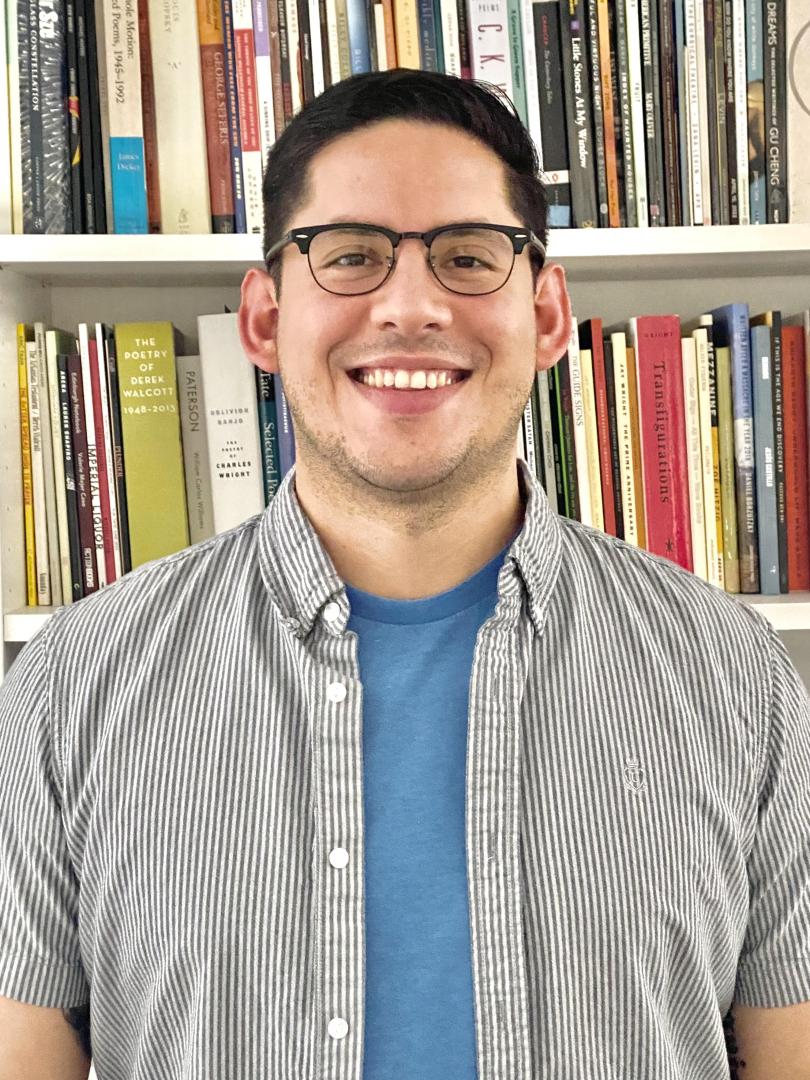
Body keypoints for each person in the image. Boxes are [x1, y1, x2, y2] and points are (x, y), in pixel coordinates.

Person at [1, 68, 809, 1080]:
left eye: (470, 257)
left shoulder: (736, 678)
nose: (412, 307)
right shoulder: (71, 685)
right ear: (263, 319)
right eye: (350, 257)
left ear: (549, 313)